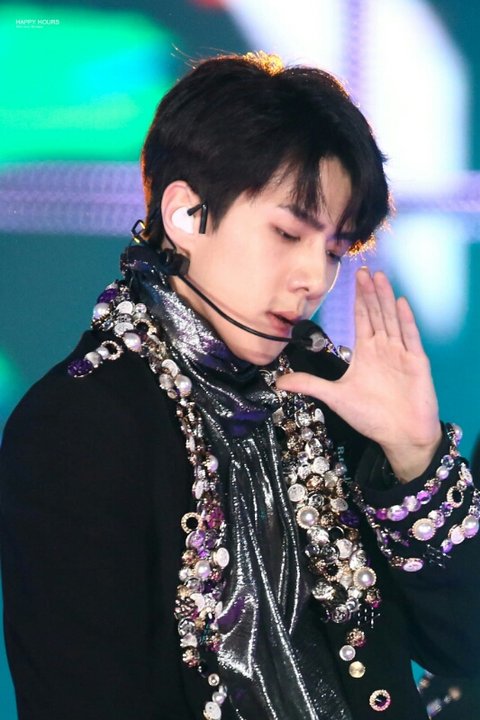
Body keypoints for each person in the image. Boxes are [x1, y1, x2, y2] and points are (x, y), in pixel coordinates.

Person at [0, 52, 478, 720]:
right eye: (288, 233)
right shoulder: (77, 425)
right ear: (187, 214)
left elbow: (465, 649)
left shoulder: (329, 393)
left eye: (334, 250)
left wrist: (415, 457)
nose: (314, 278)